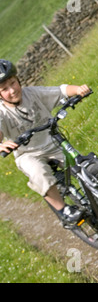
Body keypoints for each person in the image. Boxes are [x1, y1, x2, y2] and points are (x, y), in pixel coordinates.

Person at [0, 59, 91, 225]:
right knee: (38, 172)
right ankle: (64, 210)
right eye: (4, 89)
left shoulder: (32, 93)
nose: (12, 90)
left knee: (88, 169)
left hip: (53, 143)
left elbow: (61, 91)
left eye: (13, 83)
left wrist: (77, 89)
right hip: (28, 153)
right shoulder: (2, 113)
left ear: (18, 80)